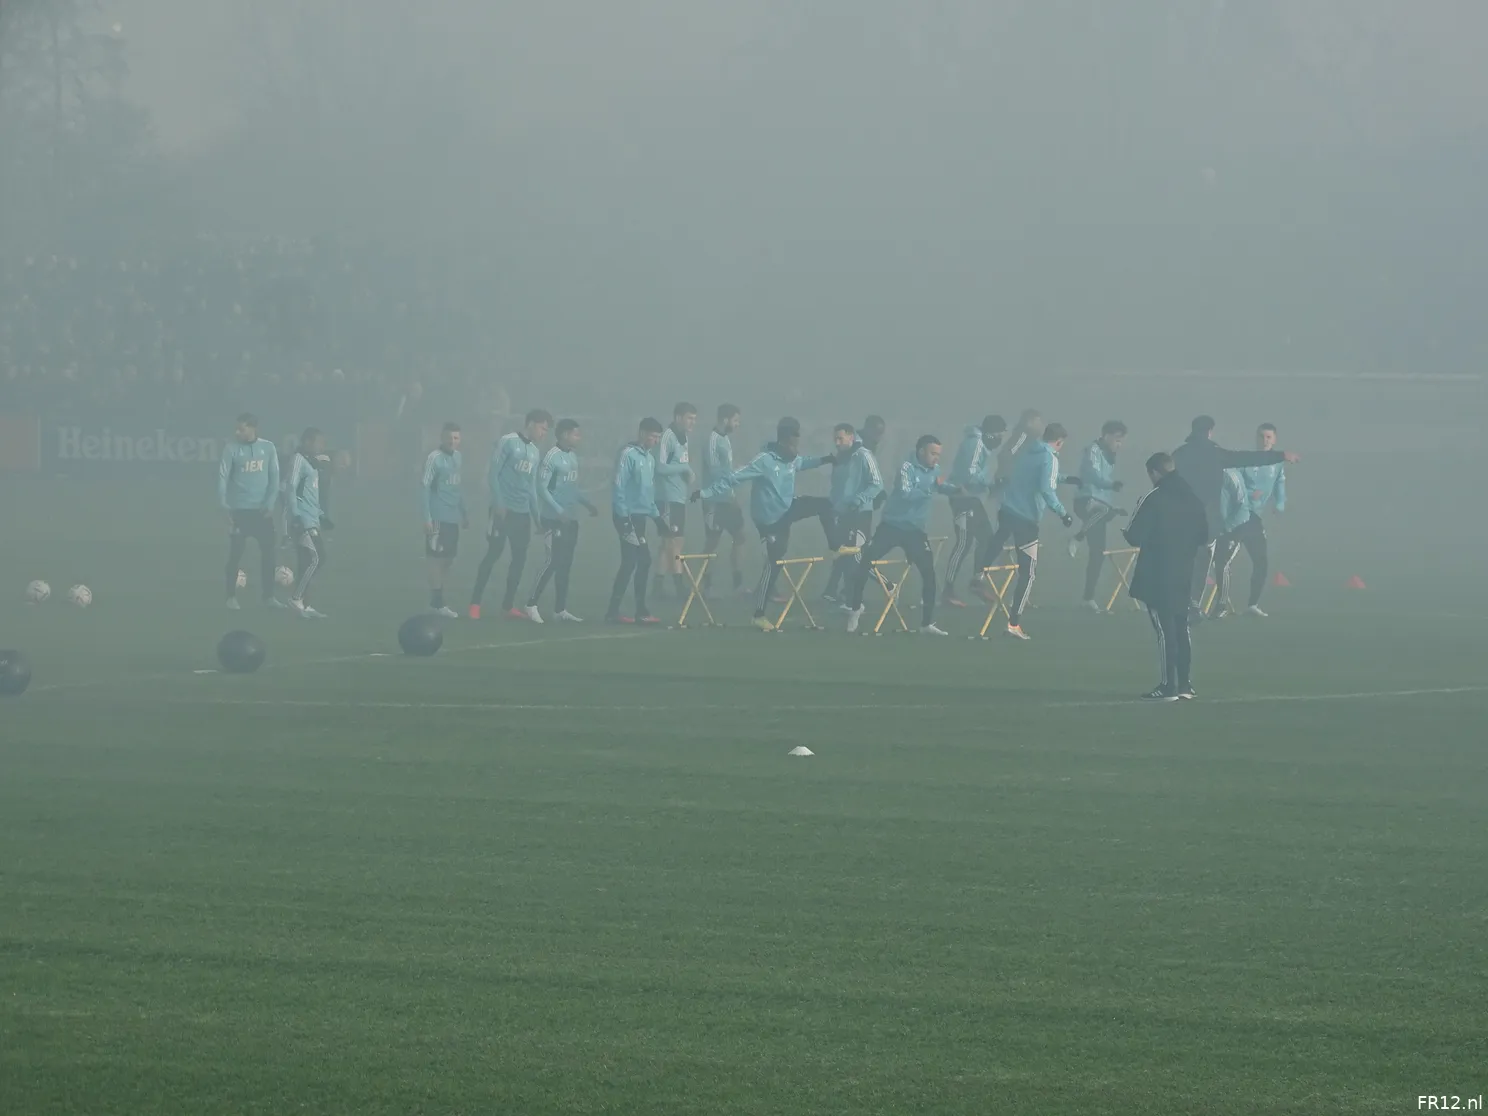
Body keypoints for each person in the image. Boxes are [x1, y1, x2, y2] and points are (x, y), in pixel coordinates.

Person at [692, 416, 836, 631]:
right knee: (775, 560)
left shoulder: (792, 457)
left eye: (797, 442)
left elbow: (804, 462)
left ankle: (836, 548)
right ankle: (758, 614)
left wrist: (826, 459)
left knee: (825, 505)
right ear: (782, 441)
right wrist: (705, 492)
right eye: (792, 443)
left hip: (788, 509)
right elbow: (734, 478)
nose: (795, 448)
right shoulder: (764, 460)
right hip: (769, 521)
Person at [1172, 415, 1298, 620]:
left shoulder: (1178, 454)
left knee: (1186, 561)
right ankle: (1194, 606)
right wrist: (1281, 454)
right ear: (1210, 431)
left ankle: (1187, 605)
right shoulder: (1215, 454)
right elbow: (1247, 458)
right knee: (1203, 560)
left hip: (1182, 516)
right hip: (1207, 518)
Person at [845, 434, 958, 635]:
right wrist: (932, 488)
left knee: (929, 575)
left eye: (938, 454)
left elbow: (938, 486)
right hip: (892, 526)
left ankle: (927, 624)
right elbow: (907, 494)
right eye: (933, 453)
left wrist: (953, 489)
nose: (936, 458)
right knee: (864, 562)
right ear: (921, 451)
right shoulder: (906, 467)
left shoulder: (935, 470)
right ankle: (855, 608)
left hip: (915, 531)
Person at [975, 422, 1073, 640]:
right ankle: (1014, 624)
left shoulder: (1029, 450)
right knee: (1028, 573)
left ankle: (979, 572)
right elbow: (1047, 488)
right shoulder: (1050, 458)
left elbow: (1035, 476)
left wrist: (1066, 478)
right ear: (1059, 442)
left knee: (999, 537)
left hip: (1008, 509)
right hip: (1027, 520)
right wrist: (1063, 513)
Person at [1123, 453, 1209, 701]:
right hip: (1184, 572)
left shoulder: (1153, 497)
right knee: (1182, 626)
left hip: (1156, 573)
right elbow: (1204, 536)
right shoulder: (1193, 498)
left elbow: (1134, 536)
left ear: (1154, 473)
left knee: (1164, 629)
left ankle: (1167, 686)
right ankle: (1185, 684)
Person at [469, 408, 551, 620]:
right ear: (531, 423)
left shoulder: (534, 451)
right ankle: (475, 603)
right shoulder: (507, 441)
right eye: (543, 428)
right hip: (502, 511)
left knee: (519, 559)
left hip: (522, 514)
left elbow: (531, 487)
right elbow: (493, 474)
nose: (544, 433)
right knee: (493, 554)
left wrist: (537, 518)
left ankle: (508, 605)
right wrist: (498, 502)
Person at [526, 419, 598, 623]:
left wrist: (587, 504)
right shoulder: (551, 457)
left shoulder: (572, 457)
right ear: (565, 435)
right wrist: (558, 510)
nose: (579, 438)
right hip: (554, 519)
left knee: (565, 564)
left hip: (571, 519)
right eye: (576, 434)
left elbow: (572, 489)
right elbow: (541, 488)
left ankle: (560, 609)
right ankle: (531, 604)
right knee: (552, 561)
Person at [218, 412, 282, 611]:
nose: (237, 432)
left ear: (253, 428)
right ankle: (230, 597)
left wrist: (270, 504)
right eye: (237, 428)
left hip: (261, 512)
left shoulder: (268, 448)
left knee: (269, 555)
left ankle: (269, 597)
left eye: (241, 428)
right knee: (235, 554)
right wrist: (224, 505)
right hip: (239, 512)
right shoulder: (231, 449)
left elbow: (275, 478)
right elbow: (222, 477)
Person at [942, 415, 1006, 608]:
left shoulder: (981, 444)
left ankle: (976, 581)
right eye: (999, 434)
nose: (1000, 438)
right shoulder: (976, 443)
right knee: (963, 543)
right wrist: (990, 483)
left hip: (972, 499)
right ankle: (948, 591)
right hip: (962, 498)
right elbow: (969, 474)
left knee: (988, 539)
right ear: (990, 433)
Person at [606, 418, 664, 625]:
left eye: (658, 437)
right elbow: (619, 486)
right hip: (627, 517)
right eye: (653, 436)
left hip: (639, 518)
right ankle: (625, 611)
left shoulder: (649, 459)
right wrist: (622, 517)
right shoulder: (627, 454)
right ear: (642, 433)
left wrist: (657, 518)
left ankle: (630, 611)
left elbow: (647, 494)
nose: (656, 441)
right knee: (634, 561)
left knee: (639, 561)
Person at [821, 423, 885, 604]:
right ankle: (843, 596)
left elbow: (877, 484)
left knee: (855, 557)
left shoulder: (864, 455)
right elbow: (837, 486)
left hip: (860, 515)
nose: (837, 442)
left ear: (851, 436)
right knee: (845, 557)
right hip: (843, 515)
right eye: (835, 438)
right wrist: (835, 506)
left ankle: (865, 595)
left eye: (840, 438)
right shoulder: (841, 458)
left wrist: (858, 500)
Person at [1068, 420, 1129, 612]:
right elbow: (1092, 475)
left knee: (1098, 553)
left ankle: (1088, 598)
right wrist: (1110, 485)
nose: (1119, 444)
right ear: (1106, 435)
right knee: (1101, 510)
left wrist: (1113, 506)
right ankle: (1077, 538)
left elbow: (1104, 492)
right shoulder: (1092, 450)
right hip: (1085, 500)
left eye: (1121, 441)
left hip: (1099, 505)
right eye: (1117, 440)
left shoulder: (1111, 455)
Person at [1234, 422, 1287, 616]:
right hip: (1237, 516)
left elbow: (1280, 485)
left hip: (1254, 519)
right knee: (1219, 559)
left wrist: (1279, 505)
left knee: (1261, 561)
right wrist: (1249, 494)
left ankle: (1252, 605)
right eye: (1261, 437)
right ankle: (1206, 602)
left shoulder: (1277, 463)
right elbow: (1233, 484)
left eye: (1268, 437)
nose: (1264, 441)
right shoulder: (1246, 460)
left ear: (1274, 440)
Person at [421, 421, 468, 618]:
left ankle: (438, 597)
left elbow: (456, 488)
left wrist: (463, 513)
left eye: (456, 437)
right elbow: (424, 488)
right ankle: (437, 602)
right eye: (449, 437)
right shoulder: (434, 458)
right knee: (435, 559)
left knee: (449, 559)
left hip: (452, 517)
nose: (452, 441)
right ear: (442, 437)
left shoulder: (458, 457)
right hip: (438, 516)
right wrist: (427, 518)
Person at [701, 404, 747, 596]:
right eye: (735, 420)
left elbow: (725, 467)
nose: (737, 425)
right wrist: (736, 472)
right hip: (714, 500)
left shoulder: (724, 439)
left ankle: (738, 584)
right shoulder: (712, 440)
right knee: (712, 542)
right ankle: (706, 586)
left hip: (727, 498)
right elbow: (714, 471)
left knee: (741, 536)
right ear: (725, 419)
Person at [654, 402, 697, 600]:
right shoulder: (667, 437)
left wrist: (687, 472)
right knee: (673, 543)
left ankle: (658, 586)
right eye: (689, 418)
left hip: (678, 496)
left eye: (694, 419)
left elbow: (680, 464)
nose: (692, 422)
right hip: (667, 498)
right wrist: (683, 470)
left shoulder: (684, 437)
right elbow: (660, 468)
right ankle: (679, 587)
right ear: (678, 417)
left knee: (670, 543)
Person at [286, 427, 329, 619]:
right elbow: (290, 487)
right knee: (316, 558)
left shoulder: (312, 463)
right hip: (302, 520)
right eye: (319, 442)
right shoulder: (298, 460)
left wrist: (321, 514)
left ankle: (305, 604)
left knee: (308, 561)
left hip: (312, 519)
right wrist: (296, 516)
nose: (322, 446)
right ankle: (296, 599)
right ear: (308, 442)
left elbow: (309, 494)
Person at [1209, 469, 1254, 619]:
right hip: (1214, 526)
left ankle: (1221, 606)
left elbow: (1242, 504)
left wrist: (1227, 527)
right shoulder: (1199, 472)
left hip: (1235, 527)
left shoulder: (1229, 474)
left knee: (1221, 563)